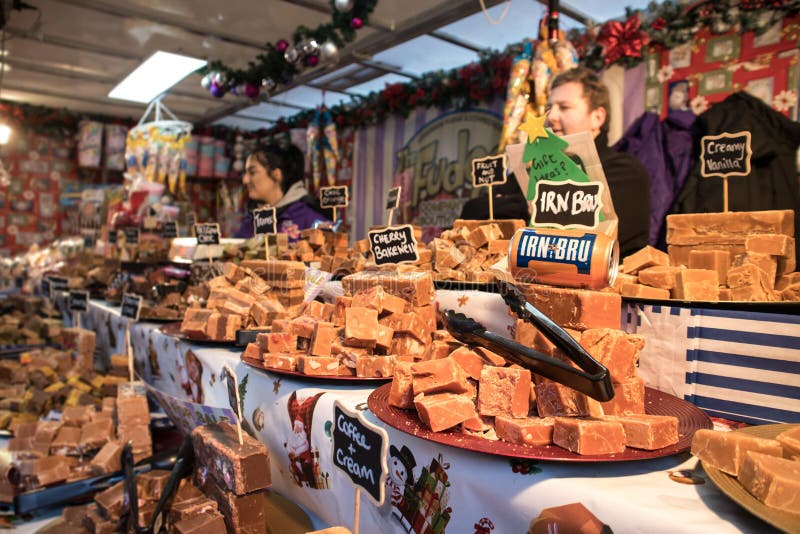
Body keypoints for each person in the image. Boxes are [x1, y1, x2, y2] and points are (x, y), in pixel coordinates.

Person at [546, 67, 651, 258]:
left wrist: (518, 204)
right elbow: (478, 207)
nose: (551, 117)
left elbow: (585, 240)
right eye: (549, 108)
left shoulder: (625, 171)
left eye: (564, 107)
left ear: (597, 117)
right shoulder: (540, 165)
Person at [235, 143, 330, 239]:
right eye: (245, 173)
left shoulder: (309, 219)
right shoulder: (250, 221)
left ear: (276, 174)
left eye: (252, 172)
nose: (245, 180)